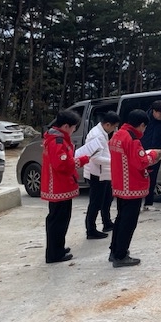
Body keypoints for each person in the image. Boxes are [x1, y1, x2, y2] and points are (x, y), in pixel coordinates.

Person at [108, 109, 160, 267]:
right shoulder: (133, 140)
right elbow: (141, 162)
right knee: (128, 222)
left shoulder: (117, 135)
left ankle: (114, 250)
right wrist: (153, 155)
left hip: (120, 184)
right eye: (144, 127)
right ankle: (121, 255)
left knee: (120, 219)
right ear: (141, 125)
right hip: (132, 186)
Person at [41, 110, 90, 264]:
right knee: (58, 221)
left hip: (61, 185)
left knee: (61, 220)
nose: (74, 130)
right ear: (66, 126)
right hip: (59, 186)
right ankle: (54, 253)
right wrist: (81, 160)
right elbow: (61, 164)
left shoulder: (57, 139)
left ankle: (58, 248)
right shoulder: (57, 141)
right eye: (74, 127)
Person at [83, 111, 120, 238]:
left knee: (107, 199)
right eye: (114, 127)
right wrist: (114, 161)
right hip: (96, 173)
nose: (114, 130)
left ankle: (107, 222)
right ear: (107, 124)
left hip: (104, 172)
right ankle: (91, 229)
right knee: (96, 202)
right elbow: (95, 158)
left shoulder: (103, 132)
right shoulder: (96, 135)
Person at [141, 100, 161, 211]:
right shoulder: (144, 120)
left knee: (152, 178)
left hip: (155, 155)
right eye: (159, 113)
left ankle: (148, 203)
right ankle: (137, 202)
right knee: (139, 177)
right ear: (153, 111)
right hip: (141, 153)